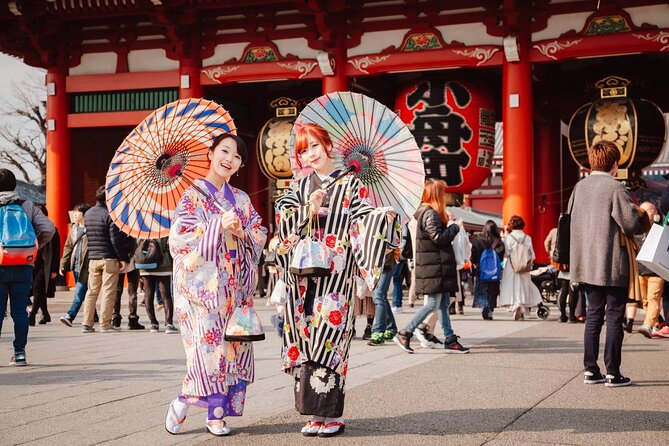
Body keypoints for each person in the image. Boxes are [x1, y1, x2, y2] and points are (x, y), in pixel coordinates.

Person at [275, 123, 398, 437]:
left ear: (327, 145)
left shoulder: (352, 185)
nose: (310, 155)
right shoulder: (299, 187)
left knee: (330, 336)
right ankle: (312, 413)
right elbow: (284, 221)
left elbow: (365, 220)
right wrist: (308, 208)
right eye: (303, 150)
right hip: (302, 278)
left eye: (314, 146)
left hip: (336, 275)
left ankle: (331, 415)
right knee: (305, 337)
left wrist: (381, 217)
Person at [165, 133, 267, 436]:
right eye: (224, 151)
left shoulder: (241, 198)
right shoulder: (192, 196)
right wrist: (215, 226)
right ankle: (184, 400)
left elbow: (258, 232)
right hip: (202, 290)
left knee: (232, 349)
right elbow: (180, 240)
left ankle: (215, 415)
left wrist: (242, 231)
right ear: (210, 153)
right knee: (208, 349)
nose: (230, 160)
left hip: (234, 289)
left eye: (236, 157)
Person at [569, 140, 645, 387]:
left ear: (591, 162)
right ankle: (613, 371)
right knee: (614, 316)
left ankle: (591, 370)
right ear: (614, 164)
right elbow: (631, 224)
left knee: (593, 316)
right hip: (611, 262)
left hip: (586, 262)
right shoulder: (616, 188)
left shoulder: (579, 188)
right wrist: (639, 212)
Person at [394, 179, 469, 354]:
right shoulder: (430, 214)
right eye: (441, 194)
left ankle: (450, 339)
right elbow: (438, 237)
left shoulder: (426, 213)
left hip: (435, 266)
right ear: (436, 195)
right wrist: (453, 228)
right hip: (434, 267)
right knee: (433, 304)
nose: (444, 197)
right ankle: (405, 332)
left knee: (442, 304)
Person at [0, 168, 55, 366]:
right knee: (20, 312)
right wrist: (35, 245)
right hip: (23, 264)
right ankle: (20, 353)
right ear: (14, 185)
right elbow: (49, 228)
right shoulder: (27, 205)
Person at [81, 185, 130, 333]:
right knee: (108, 291)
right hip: (109, 258)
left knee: (92, 291)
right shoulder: (110, 215)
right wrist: (123, 258)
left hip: (93, 257)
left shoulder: (88, 214)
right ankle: (105, 324)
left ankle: (87, 323)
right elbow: (115, 239)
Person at [635, 202, 669, 338]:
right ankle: (655, 323)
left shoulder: (662, 226)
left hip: (656, 270)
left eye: (648, 210)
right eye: (642, 210)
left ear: (655, 211)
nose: (644, 212)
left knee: (653, 298)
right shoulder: (638, 227)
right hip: (641, 269)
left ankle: (648, 325)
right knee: (645, 301)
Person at [499, 215, 542, 320]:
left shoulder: (509, 238)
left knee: (513, 287)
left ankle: (516, 306)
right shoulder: (527, 238)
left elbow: (506, 253)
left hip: (512, 265)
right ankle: (522, 308)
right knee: (524, 286)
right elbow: (532, 254)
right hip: (524, 265)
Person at [60, 204, 91, 326]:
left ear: (84, 214)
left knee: (79, 292)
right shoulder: (73, 229)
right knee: (85, 291)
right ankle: (94, 315)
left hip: (87, 266)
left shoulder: (90, 229)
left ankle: (70, 315)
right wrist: (64, 264)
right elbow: (68, 247)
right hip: (76, 265)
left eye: (77, 212)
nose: (75, 214)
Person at [137, 237, 176, 334]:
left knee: (148, 294)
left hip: (145, 265)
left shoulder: (141, 228)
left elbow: (138, 244)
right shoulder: (163, 227)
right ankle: (169, 324)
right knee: (166, 295)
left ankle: (153, 324)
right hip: (163, 264)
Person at [29, 205, 59, 326]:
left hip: (46, 266)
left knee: (37, 288)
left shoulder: (52, 230)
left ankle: (32, 315)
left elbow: (56, 251)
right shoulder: (31, 229)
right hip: (34, 264)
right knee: (39, 291)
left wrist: (54, 269)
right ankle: (45, 314)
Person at [471, 220, 505, 320]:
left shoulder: (478, 241)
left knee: (482, 290)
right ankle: (490, 308)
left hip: (481, 271)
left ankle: (483, 306)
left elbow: (473, 257)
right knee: (492, 291)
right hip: (494, 272)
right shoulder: (499, 242)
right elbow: (501, 257)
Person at [113, 237, 144, 330]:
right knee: (132, 292)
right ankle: (132, 318)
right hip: (132, 261)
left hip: (118, 260)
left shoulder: (117, 225)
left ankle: (115, 318)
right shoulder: (133, 228)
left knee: (117, 292)